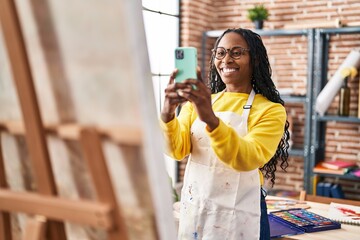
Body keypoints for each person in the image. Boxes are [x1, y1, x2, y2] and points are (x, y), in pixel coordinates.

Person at [160, 28, 290, 240]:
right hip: (198, 205)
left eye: (237, 52)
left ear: (254, 60)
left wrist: (210, 117)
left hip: (242, 212)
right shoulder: (199, 103)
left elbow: (247, 158)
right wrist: (166, 114)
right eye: (220, 53)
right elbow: (177, 150)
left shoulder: (270, 110)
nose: (226, 60)